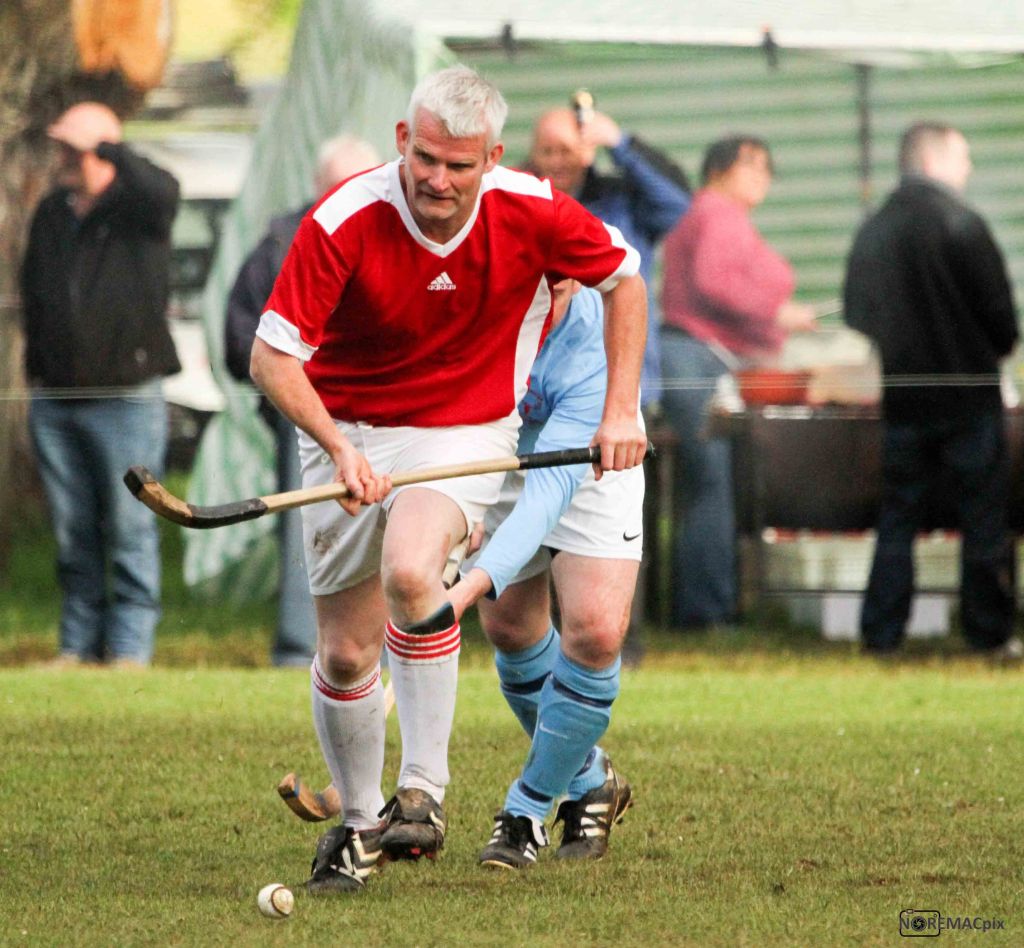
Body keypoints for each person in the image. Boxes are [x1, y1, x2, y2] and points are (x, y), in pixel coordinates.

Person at [248, 65, 648, 895]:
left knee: (416, 571)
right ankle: (360, 824)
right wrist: (339, 448)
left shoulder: (533, 214)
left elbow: (626, 277)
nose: (437, 179)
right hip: (346, 426)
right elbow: (271, 358)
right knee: (346, 652)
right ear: (403, 139)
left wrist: (620, 412)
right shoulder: (345, 218)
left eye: (458, 165)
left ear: (490, 159)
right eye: (425, 158)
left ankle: (429, 793)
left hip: (461, 430)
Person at [448, 280, 642, 869]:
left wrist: (470, 584)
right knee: (509, 627)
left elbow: (546, 497)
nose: (543, 305)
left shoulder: (589, 334)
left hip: (591, 446)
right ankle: (589, 777)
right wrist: (457, 504)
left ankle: (524, 812)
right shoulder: (469, 293)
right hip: (494, 445)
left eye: (555, 289)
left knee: (598, 631)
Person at [843, 122, 1021, 658]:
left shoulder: (875, 228)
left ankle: (881, 634)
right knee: (982, 519)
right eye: (962, 158)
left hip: (904, 400)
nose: (968, 169)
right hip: (970, 398)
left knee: (898, 517)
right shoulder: (963, 223)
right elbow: (1002, 319)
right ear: (933, 159)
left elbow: (856, 311)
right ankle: (987, 634)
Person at [21, 101, 181, 668]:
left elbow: (165, 189)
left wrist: (108, 146)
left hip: (126, 399)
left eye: (72, 148)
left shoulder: (138, 209)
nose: (62, 157)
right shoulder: (52, 212)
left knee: (130, 527)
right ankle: (78, 645)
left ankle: (130, 648)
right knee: (74, 532)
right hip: (56, 400)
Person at [224, 135, 380, 667]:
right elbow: (242, 334)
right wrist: (287, 391)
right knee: (306, 527)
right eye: (336, 186)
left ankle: (382, 648)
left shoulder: (395, 233)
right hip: (306, 416)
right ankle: (298, 646)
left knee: (383, 528)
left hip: (386, 413)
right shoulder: (281, 240)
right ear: (317, 186)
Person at [659, 135, 817, 629]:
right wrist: (776, 311)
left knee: (713, 481)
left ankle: (714, 603)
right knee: (710, 481)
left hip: (707, 359)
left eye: (767, 168)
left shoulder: (719, 215)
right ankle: (705, 611)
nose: (761, 176)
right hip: (694, 358)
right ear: (718, 169)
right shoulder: (715, 211)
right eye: (751, 165)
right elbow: (715, 282)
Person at [527, 105, 690, 410]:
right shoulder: (520, 203)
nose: (556, 161)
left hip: (621, 377)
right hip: (539, 384)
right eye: (547, 151)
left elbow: (677, 206)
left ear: (586, 152)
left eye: (565, 150)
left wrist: (621, 143)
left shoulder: (621, 202)